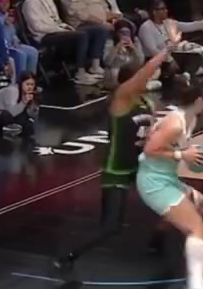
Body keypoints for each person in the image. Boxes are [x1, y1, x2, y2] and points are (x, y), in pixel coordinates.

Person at [55, 51, 169, 268]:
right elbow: (146, 71)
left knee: (170, 202)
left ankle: (157, 241)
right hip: (117, 168)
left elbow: (150, 135)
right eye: (141, 77)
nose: (147, 79)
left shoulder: (147, 102)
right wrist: (167, 50)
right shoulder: (121, 100)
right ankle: (69, 255)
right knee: (111, 227)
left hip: (138, 165)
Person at [137, 78, 203, 289]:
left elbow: (175, 147)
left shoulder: (191, 119)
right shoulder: (175, 124)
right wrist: (182, 155)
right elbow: (149, 150)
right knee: (195, 227)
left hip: (167, 178)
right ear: (198, 100)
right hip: (153, 183)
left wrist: (190, 152)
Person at [0, 70, 38, 137]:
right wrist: (24, 103)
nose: (30, 87)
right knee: (5, 116)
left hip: (8, 112)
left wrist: (33, 105)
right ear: (21, 83)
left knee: (28, 124)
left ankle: (9, 125)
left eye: (32, 84)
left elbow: (31, 114)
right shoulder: (13, 91)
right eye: (27, 84)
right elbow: (10, 113)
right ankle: (5, 126)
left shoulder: (31, 93)